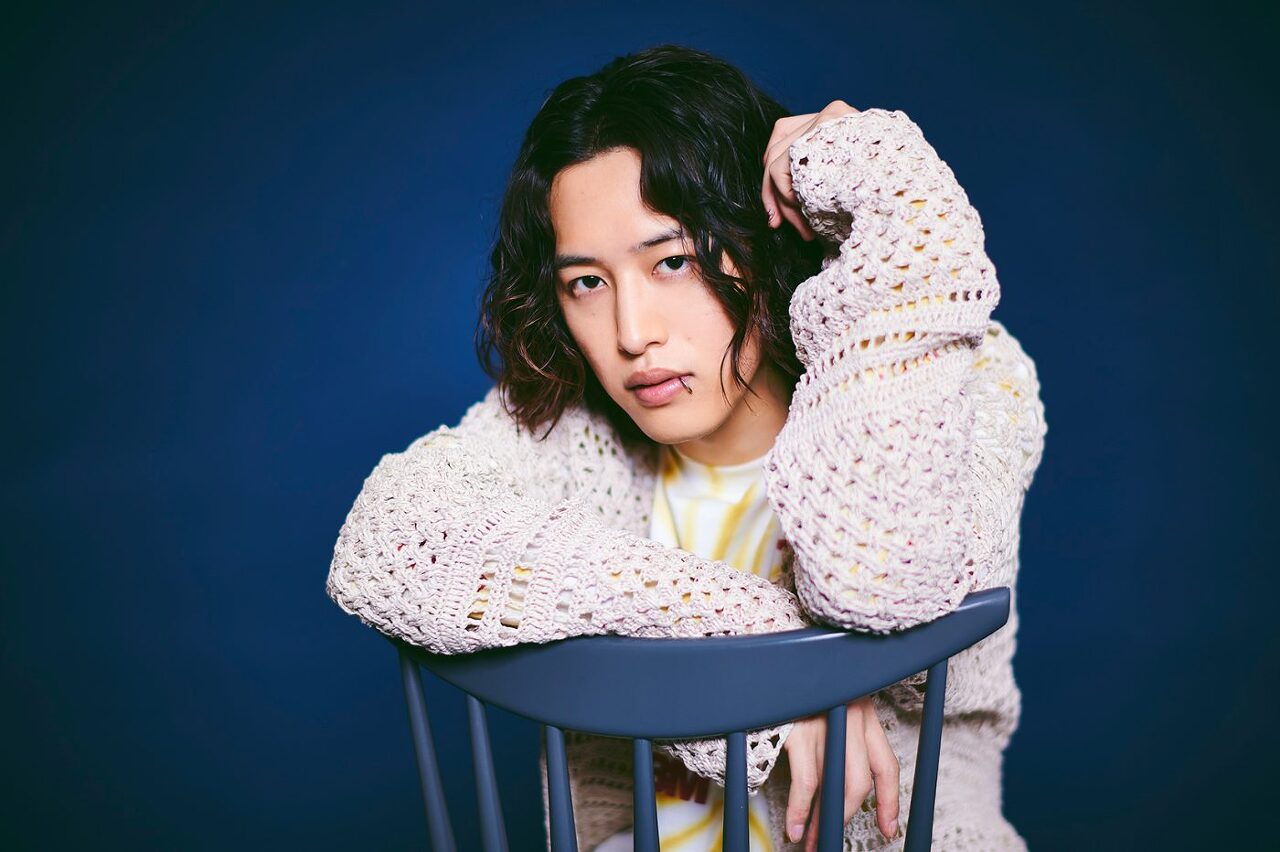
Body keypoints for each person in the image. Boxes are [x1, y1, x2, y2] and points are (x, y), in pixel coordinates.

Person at [326, 43, 1047, 852]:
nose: (633, 334)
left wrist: (888, 187)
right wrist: (765, 650)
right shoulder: (579, 433)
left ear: (764, 238)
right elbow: (386, 545)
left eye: (672, 261)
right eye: (587, 283)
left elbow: (875, 583)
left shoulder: (966, 384)